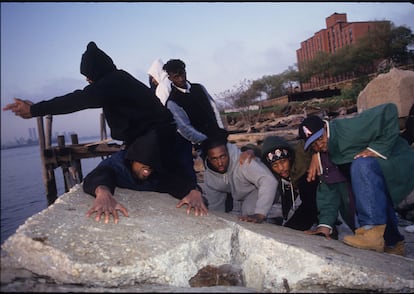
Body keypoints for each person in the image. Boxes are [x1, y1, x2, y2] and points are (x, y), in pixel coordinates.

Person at [3, 41, 182, 181]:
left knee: (104, 176)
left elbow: (76, 100)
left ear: (96, 73)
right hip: (157, 139)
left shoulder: (112, 83)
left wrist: (34, 109)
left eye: (88, 76)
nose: (88, 80)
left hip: (155, 143)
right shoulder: (118, 79)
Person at [299, 103, 414, 256]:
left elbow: (388, 110)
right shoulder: (323, 157)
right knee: (372, 200)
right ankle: (393, 243)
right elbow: (329, 192)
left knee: (361, 164)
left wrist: (377, 148)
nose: (319, 145)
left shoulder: (349, 128)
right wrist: (324, 226)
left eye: (320, 138)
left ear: (326, 128)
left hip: (397, 162)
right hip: (374, 183)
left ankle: (371, 230)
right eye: (313, 145)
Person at [83, 129, 208, 224]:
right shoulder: (118, 163)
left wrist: (194, 190)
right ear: (132, 160)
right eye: (143, 166)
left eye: (150, 168)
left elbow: (173, 182)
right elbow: (100, 173)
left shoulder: (156, 171)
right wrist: (102, 191)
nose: (147, 172)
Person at [162, 59, 225, 184]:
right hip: (204, 144)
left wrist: (221, 130)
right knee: (216, 176)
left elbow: (214, 108)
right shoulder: (172, 102)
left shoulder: (199, 88)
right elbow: (184, 128)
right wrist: (206, 141)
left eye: (182, 74)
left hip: (219, 136)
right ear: (170, 78)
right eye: (176, 76)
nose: (181, 78)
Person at [201, 129, 279, 224]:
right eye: (214, 159)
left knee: (249, 211)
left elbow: (269, 181)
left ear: (228, 152)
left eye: (223, 156)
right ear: (208, 158)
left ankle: (266, 219)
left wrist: (260, 214)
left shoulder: (244, 160)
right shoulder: (210, 178)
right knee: (234, 218)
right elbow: (216, 207)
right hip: (239, 199)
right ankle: (273, 221)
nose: (220, 163)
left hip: (266, 189)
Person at [260, 136, 319, 231]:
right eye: (275, 165)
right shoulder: (278, 175)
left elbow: (309, 206)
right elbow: (255, 152)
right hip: (293, 183)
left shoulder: (303, 166)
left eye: (283, 161)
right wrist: (250, 151)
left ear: (290, 158)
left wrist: (291, 229)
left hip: (313, 185)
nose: (281, 168)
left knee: (310, 199)